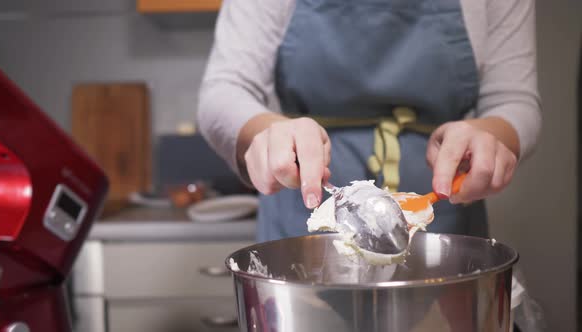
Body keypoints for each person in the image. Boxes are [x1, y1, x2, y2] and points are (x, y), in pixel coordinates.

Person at [197, 0, 541, 242]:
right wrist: (266, 132)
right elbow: (225, 89)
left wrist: (490, 136)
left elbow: (513, 100)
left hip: (443, 226)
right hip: (300, 224)